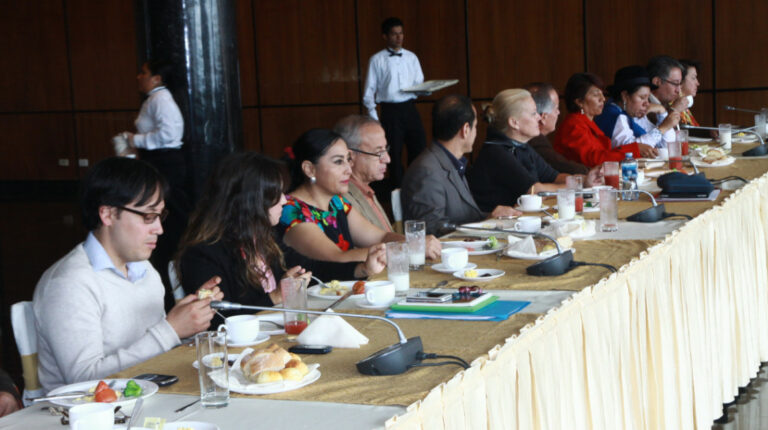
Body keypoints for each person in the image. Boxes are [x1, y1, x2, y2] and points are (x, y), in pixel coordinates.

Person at [33, 157, 222, 392]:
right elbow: (83, 380)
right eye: (148, 217)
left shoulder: (144, 270)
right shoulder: (69, 283)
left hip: (146, 397)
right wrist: (170, 329)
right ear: (108, 215)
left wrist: (189, 321)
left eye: (160, 216)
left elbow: (156, 351)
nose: (159, 229)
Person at [177, 152, 386, 325]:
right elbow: (220, 318)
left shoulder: (264, 237)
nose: (285, 200)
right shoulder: (203, 254)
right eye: (276, 194)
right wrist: (277, 296)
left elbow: (312, 268)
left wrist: (362, 269)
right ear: (251, 201)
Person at [279, 129, 413, 265]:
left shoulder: (336, 202)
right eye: (338, 162)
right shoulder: (291, 211)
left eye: (348, 160)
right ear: (309, 169)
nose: (349, 169)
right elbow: (338, 258)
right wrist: (402, 249)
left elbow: (381, 237)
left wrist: (413, 243)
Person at [121, 59, 190, 312]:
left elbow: (170, 134)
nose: (139, 76)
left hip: (166, 163)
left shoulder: (161, 99)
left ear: (157, 79)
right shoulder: (154, 98)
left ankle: (172, 268)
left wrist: (134, 139)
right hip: (158, 161)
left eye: (144, 72)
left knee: (170, 220)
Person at [401, 95, 521, 235]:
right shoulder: (426, 170)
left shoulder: (450, 161)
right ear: (465, 130)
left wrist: (491, 217)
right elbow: (432, 229)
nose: (476, 132)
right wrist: (484, 224)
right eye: (475, 126)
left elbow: (466, 217)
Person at [468, 89, 601, 211]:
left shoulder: (522, 146)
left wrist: (585, 180)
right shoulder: (496, 152)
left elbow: (554, 176)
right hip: (492, 229)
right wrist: (577, 187)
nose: (539, 117)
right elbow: (534, 191)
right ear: (514, 122)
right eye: (533, 113)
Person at [333, 115, 441, 256]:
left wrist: (415, 244)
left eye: (386, 150)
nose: (388, 159)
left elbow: (383, 238)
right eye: (379, 152)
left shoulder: (366, 190)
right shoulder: (340, 198)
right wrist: (415, 245)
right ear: (350, 156)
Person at [362, 17, 427, 188]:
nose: (399, 38)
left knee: (419, 149)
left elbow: (419, 84)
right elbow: (369, 91)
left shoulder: (412, 57)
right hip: (390, 111)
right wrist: (374, 118)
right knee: (394, 156)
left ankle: (417, 188)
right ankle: (398, 193)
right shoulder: (376, 60)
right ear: (385, 36)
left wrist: (426, 89)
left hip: (410, 108)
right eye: (394, 34)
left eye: (401, 34)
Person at [553, 73, 649, 167]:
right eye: (596, 95)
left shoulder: (587, 122)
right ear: (579, 102)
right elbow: (594, 159)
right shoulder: (573, 125)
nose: (603, 99)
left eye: (602, 94)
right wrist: (633, 150)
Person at [594, 65, 675, 153]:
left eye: (648, 98)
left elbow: (665, 146)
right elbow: (631, 149)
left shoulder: (628, 113)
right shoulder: (614, 115)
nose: (647, 103)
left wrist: (662, 114)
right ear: (625, 96)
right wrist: (662, 129)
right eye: (642, 97)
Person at [525, 82, 589, 175]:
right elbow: (561, 166)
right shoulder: (534, 140)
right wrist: (590, 173)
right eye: (556, 108)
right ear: (543, 117)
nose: (558, 113)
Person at [646, 55, 686, 128]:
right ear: (657, 81)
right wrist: (674, 110)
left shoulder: (667, 103)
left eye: (680, 84)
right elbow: (657, 133)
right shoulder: (643, 103)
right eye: (675, 83)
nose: (678, 90)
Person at [679, 59, 701, 127]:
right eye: (693, 78)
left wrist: (709, 132)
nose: (698, 83)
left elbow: (692, 129)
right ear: (680, 80)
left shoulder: (685, 104)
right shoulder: (672, 106)